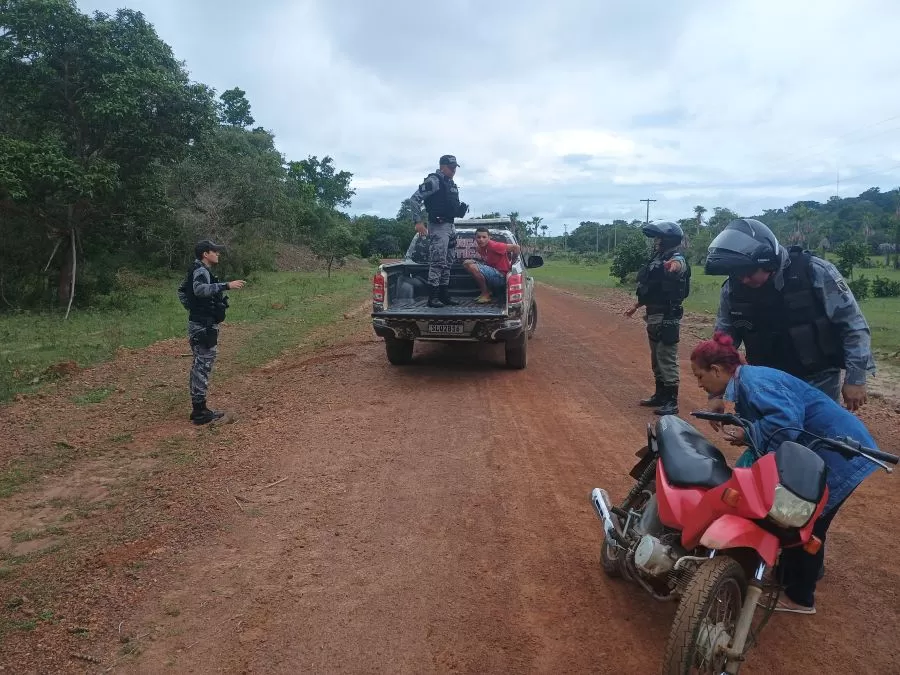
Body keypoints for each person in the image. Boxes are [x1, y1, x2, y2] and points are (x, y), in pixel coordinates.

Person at [690, 332, 880, 615]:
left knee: (804, 520)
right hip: (826, 448)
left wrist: (750, 432)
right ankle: (787, 577)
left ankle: (800, 597)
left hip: (840, 452)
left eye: (700, 376)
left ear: (717, 370)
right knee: (796, 515)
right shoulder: (748, 380)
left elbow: (787, 425)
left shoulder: (754, 384)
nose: (700, 383)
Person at [705, 218, 875, 411]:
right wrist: (716, 393)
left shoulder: (814, 272)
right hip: (764, 381)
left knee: (818, 437)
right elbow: (723, 343)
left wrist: (856, 379)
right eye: (736, 273)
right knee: (760, 435)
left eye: (749, 272)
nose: (743, 279)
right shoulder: (732, 289)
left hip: (818, 381)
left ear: (768, 261)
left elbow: (853, 326)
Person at [625, 221, 691, 416]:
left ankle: (672, 401)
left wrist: (673, 267)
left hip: (667, 315)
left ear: (668, 240)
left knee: (666, 357)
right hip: (653, 315)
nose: (656, 241)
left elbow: (679, 266)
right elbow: (651, 288)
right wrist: (636, 306)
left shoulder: (676, 257)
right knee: (656, 358)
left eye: (659, 238)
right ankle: (660, 395)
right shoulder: (657, 258)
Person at [177, 240, 245, 425]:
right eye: (215, 251)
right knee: (202, 366)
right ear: (205, 254)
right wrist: (226, 286)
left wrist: (194, 308)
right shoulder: (200, 270)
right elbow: (198, 290)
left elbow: (182, 291)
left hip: (200, 323)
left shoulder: (196, 269)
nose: (218, 254)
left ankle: (199, 408)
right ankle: (200, 412)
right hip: (203, 326)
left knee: (199, 364)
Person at [402, 154, 470, 308]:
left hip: (450, 226)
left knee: (448, 262)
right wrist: (418, 221)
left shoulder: (450, 183)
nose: (453, 171)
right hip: (438, 226)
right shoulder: (434, 181)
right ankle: (433, 297)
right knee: (438, 262)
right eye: (451, 168)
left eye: (455, 168)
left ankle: (444, 295)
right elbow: (414, 199)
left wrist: (459, 210)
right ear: (442, 166)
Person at [463, 227, 520, 303]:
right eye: (479, 237)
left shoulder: (494, 246)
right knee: (466, 263)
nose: (481, 239)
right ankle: (487, 291)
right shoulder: (480, 248)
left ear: (489, 238)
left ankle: (486, 294)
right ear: (475, 238)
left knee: (471, 266)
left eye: (484, 237)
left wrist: (512, 264)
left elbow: (516, 248)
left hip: (501, 275)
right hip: (493, 272)